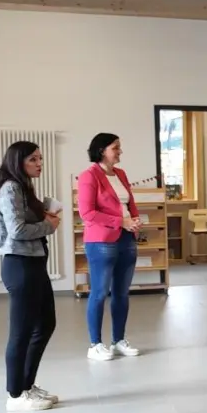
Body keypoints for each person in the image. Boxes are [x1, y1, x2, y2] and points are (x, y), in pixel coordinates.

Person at [0, 141, 60, 410]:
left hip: (33, 264)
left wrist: (43, 218)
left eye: (40, 158)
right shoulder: (11, 188)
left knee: (45, 324)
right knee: (22, 332)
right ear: (18, 162)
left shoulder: (23, 187)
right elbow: (16, 230)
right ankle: (15, 394)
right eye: (33, 160)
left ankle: (27, 384)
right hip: (20, 266)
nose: (39, 164)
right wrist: (47, 226)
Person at [78, 132, 142, 359]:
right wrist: (120, 221)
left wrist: (134, 219)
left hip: (126, 238)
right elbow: (87, 213)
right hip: (101, 241)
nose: (120, 151)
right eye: (116, 147)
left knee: (122, 293)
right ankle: (95, 343)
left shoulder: (121, 174)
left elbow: (130, 202)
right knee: (99, 292)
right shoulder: (89, 176)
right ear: (102, 150)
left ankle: (118, 340)